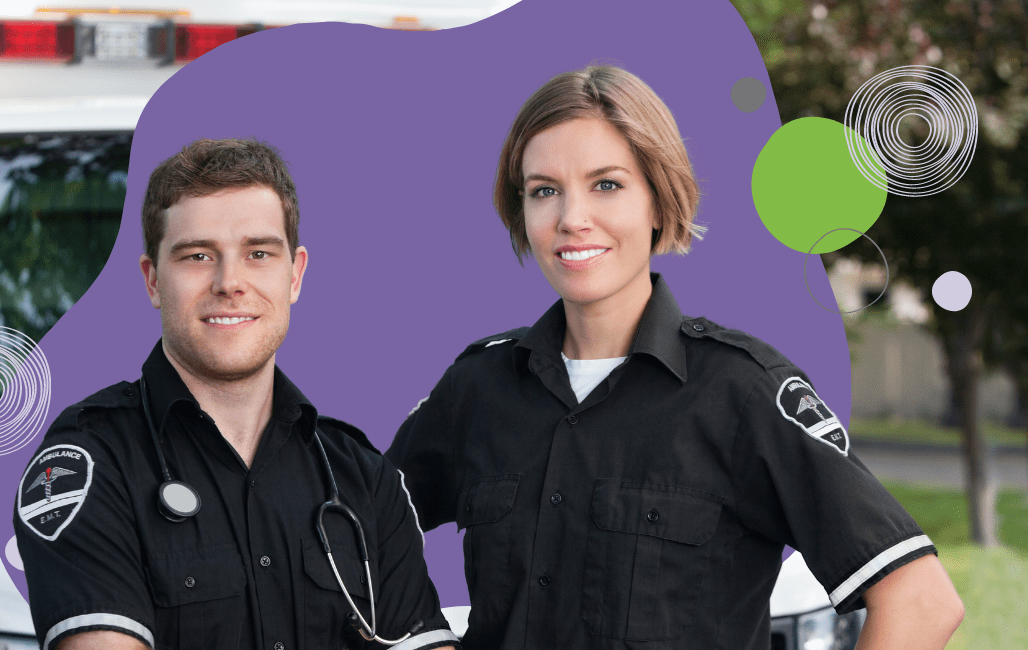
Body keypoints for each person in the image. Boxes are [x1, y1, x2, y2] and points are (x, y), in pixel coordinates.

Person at [385, 66, 964, 650]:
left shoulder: (743, 391)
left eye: (606, 184)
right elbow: (353, 538)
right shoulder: (477, 388)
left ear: (660, 202)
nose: (571, 218)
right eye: (544, 190)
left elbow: (920, 601)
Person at [14, 138, 460, 650]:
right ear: (153, 279)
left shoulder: (362, 478)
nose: (231, 282)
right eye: (198, 255)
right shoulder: (88, 463)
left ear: (295, 274)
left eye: (259, 253)